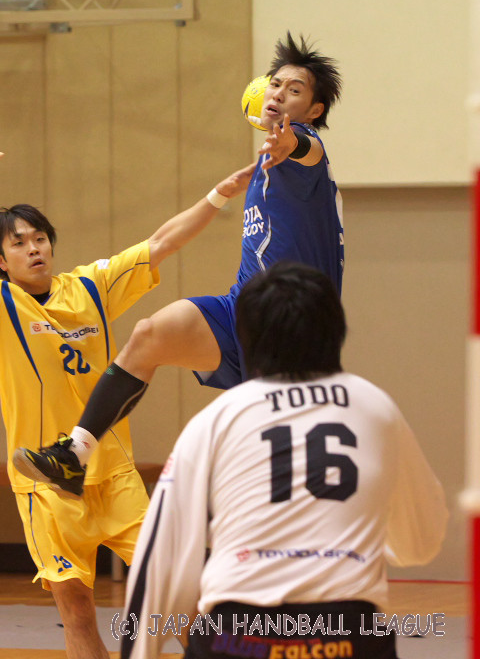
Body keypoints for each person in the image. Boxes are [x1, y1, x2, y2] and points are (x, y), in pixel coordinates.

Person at [15, 32, 345, 497]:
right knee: (149, 334)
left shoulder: (304, 150)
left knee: (276, 456)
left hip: (293, 327)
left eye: (295, 90)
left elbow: (306, 148)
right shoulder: (265, 165)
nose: (278, 94)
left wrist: (290, 141)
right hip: (241, 308)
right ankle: (75, 456)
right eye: (275, 84)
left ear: (313, 111)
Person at [119, 262, 448, 659]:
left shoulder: (218, 418)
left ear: (246, 339)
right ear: (337, 330)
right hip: (347, 633)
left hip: (237, 634)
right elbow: (421, 543)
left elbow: (160, 556)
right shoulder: (375, 409)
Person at [0, 161, 254, 659]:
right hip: (46, 486)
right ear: (2, 261)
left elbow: (162, 242)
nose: (34, 248)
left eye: (40, 238)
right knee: (76, 610)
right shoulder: (6, 303)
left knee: (177, 594)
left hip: (114, 474)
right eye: (19, 242)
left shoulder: (89, 287)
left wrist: (219, 194)